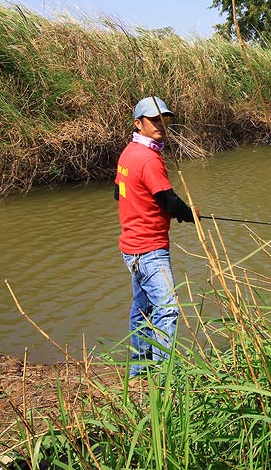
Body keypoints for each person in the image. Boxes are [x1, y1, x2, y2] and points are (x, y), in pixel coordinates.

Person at [114, 95, 196, 379]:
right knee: (169, 309)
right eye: (154, 120)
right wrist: (189, 213)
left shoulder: (128, 153)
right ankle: (164, 377)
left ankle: (138, 372)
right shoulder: (149, 158)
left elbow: (119, 193)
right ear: (139, 124)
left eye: (165, 119)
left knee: (143, 311)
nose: (161, 125)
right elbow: (167, 200)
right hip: (150, 250)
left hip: (131, 249)